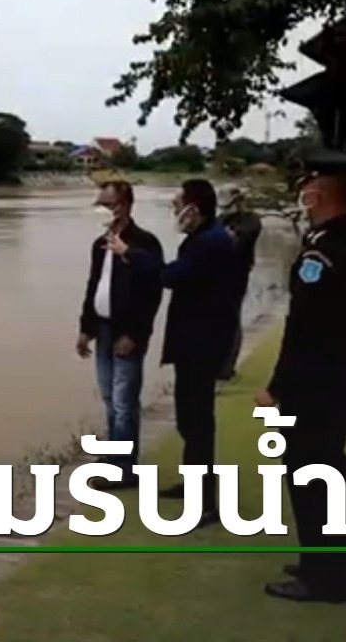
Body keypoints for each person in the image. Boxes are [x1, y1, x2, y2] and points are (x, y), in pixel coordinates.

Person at [257, 165, 346, 604]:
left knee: (311, 476)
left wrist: (276, 386)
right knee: (330, 473)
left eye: (307, 188)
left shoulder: (322, 253)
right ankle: (339, 566)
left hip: (315, 382)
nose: (301, 194)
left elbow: (304, 327)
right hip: (343, 375)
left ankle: (324, 578)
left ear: (321, 195)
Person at [113, 178, 238, 526]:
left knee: (197, 422)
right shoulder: (205, 238)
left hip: (202, 343)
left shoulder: (209, 243)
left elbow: (170, 276)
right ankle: (192, 483)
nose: (174, 212)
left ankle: (205, 503)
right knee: (190, 419)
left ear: (193, 209)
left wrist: (130, 254)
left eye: (177, 206)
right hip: (197, 341)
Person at [76, 180, 166, 488]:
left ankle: (125, 468)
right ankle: (115, 455)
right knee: (109, 398)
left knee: (125, 401)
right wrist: (85, 329)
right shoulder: (100, 243)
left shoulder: (144, 243)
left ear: (125, 205)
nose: (103, 210)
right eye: (99, 204)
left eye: (109, 204)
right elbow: (94, 286)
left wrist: (136, 335)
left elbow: (152, 293)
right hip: (102, 327)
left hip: (127, 331)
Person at [217, 184, 263, 380]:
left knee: (232, 319)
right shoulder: (220, 220)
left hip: (238, 275)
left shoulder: (252, 221)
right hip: (218, 275)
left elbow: (239, 241)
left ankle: (227, 367)